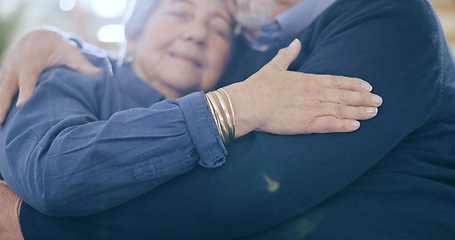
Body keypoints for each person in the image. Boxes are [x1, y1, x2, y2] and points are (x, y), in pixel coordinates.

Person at [1, 0, 454, 239]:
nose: (198, 32)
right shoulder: (78, 75)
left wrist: (37, 228)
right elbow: (52, 170)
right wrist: (46, 38)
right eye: (178, 11)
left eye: (219, 28)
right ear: (132, 34)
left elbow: (249, 187)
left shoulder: (382, 16)